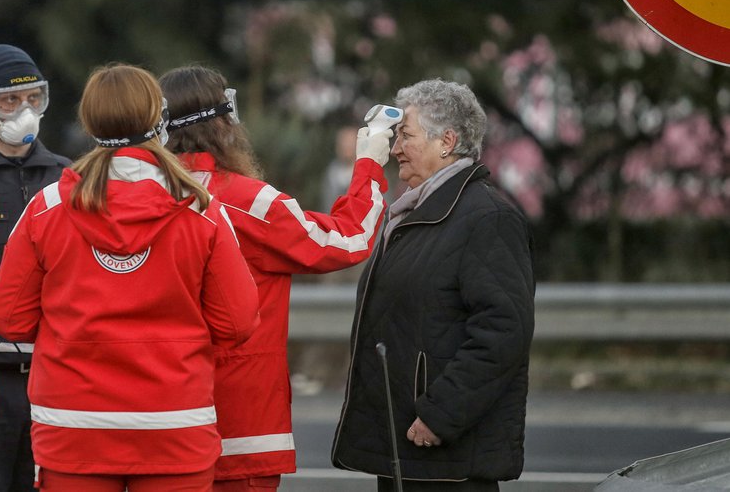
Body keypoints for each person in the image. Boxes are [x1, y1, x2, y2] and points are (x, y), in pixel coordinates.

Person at [0, 64, 261, 492]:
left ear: (90, 122)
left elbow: (6, 318)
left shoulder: (47, 207)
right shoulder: (200, 209)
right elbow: (238, 322)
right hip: (175, 426)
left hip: (72, 428)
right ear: (159, 118)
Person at [158, 65, 391, 491]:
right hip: (241, 424)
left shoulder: (138, 197)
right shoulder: (249, 203)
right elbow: (350, 238)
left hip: (157, 419)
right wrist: (370, 164)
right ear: (223, 124)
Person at [331, 79, 536, 491]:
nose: (394, 148)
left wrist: (441, 414)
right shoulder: (414, 214)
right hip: (408, 447)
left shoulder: (485, 217)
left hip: (444, 451)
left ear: (447, 141)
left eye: (405, 135)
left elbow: (503, 331)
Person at [0, 44, 71, 492]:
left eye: (34, 98)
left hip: (55, 377)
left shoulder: (68, 177)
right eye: (9, 101)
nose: (23, 111)